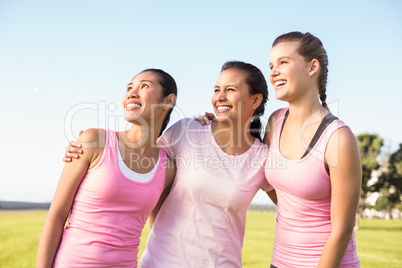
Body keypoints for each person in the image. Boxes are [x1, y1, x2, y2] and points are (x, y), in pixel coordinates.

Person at [63, 61, 277, 267]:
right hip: (162, 262)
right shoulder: (187, 130)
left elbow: (294, 207)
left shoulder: (262, 159)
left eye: (230, 89)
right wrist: (84, 147)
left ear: (255, 100)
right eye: (216, 89)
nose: (220, 97)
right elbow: (141, 162)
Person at [36, 69, 177, 268]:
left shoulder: (168, 168)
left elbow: (159, 232)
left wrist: (207, 123)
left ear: (169, 101)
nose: (131, 92)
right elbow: (57, 216)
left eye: (144, 86)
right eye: (129, 87)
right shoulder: (95, 141)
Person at [264, 32, 361, 268]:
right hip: (279, 262)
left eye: (283, 62)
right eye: (271, 65)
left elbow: (342, 230)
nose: (273, 72)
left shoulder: (338, 138)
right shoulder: (275, 121)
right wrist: (211, 123)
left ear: (312, 67)